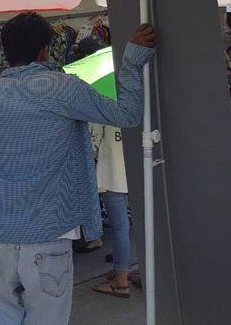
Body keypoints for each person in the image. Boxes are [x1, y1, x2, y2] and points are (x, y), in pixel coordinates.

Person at [0, 13, 155, 324]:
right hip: (49, 236)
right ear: (45, 50)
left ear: (4, 51)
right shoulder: (65, 89)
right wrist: (130, 61)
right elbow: (127, 114)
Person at [72, 38, 143, 298]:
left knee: (121, 226)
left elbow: (92, 140)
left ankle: (121, 279)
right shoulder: (135, 88)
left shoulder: (100, 93)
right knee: (143, 224)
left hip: (113, 171)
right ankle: (141, 271)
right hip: (140, 166)